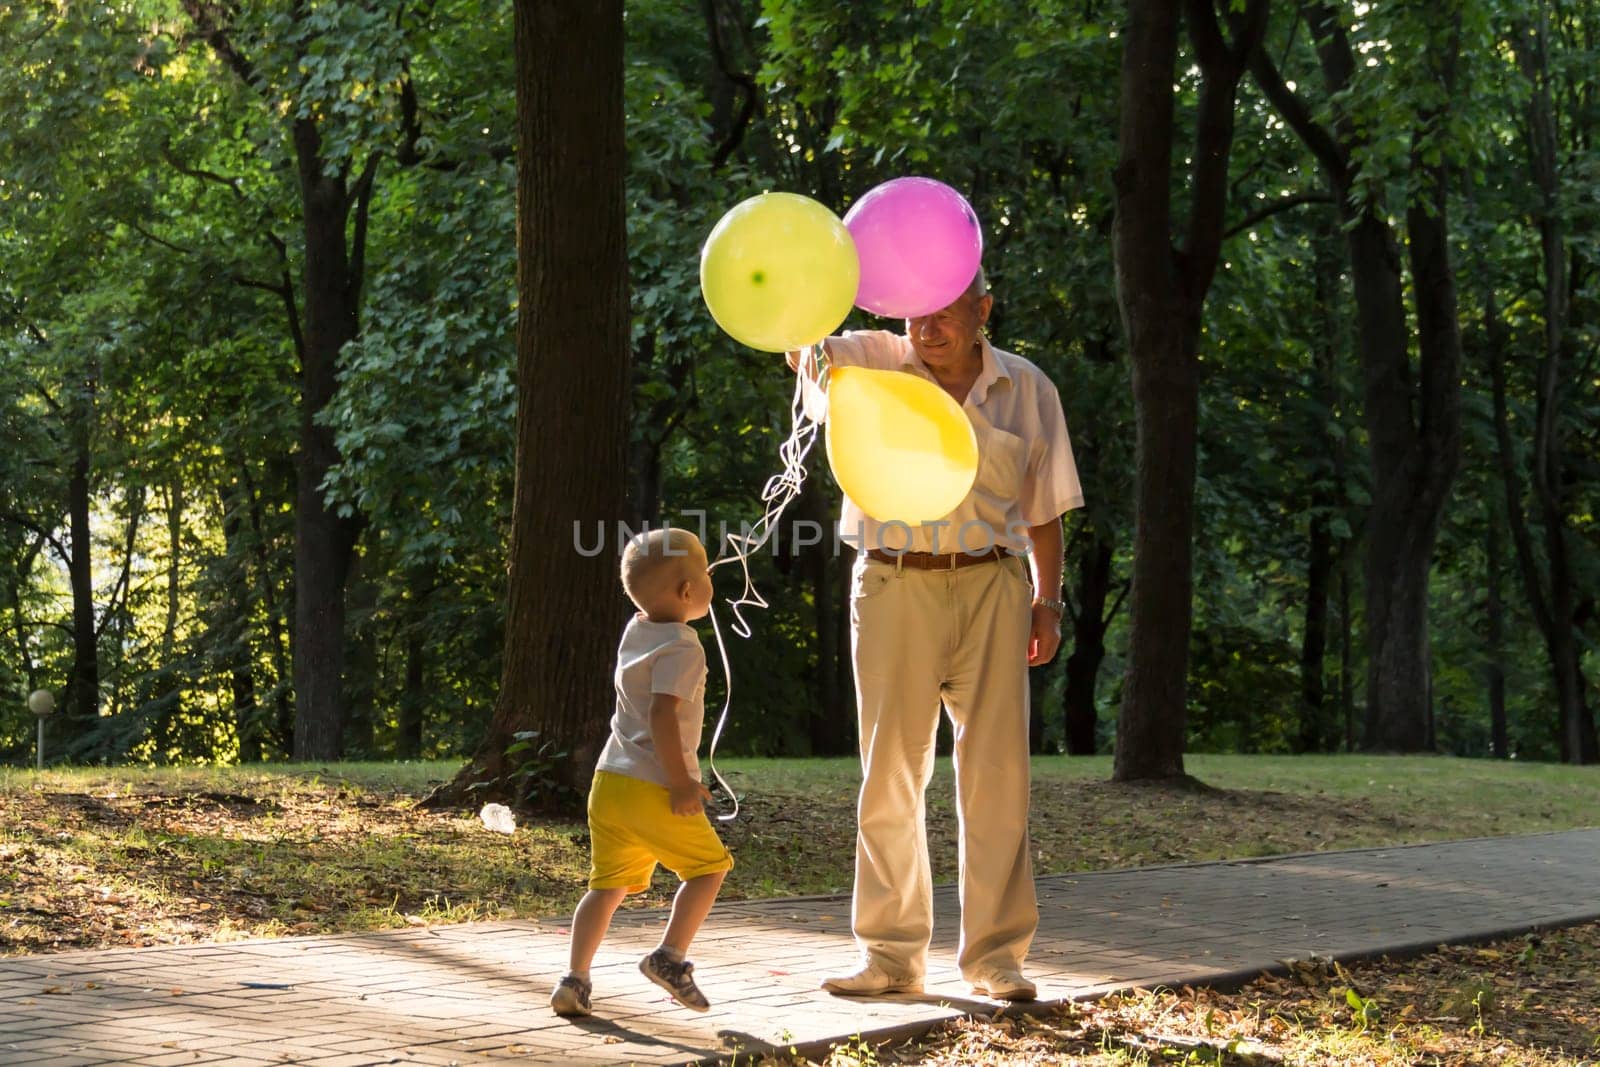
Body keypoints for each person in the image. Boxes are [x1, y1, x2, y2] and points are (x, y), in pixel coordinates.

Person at [789, 266, 1082, 1001]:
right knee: (889, 772)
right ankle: (889, 955)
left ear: (984, 308)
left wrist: (1049, 602)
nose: (929, 326)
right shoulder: (875, 360)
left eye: (948, 310)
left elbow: (1045, 507)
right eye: (917, 311)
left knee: (998, 778)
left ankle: (996, 957)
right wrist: (794, 297)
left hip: (993, 585)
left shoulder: (1028, 388)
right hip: (893, 583)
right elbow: (804, 349)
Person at [549, 527, 734, 1017]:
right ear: (688, 592)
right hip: (654, 785)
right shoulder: (683, 646)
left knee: (605, 887)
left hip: (610, 783)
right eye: (706, 575)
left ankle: (574, 979)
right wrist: (680, 783)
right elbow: (662, 715)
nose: (709, 582)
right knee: (709, 869)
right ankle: (669, 958)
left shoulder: (636, 629)